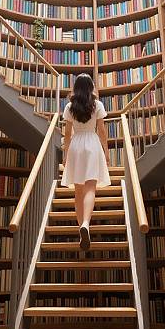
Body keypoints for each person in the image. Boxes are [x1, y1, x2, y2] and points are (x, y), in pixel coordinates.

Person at [61, 73, 111, 250]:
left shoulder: (69, 106)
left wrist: (66, 155)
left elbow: (67, 134)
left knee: (78, 191)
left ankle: (80, 225)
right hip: (92, 143)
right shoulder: (97, 104)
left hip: (75, 145)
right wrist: (106, 152)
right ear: (91, 87)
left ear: (76, 87)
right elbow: (102, 131)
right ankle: (86, 224)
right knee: (91, 187)